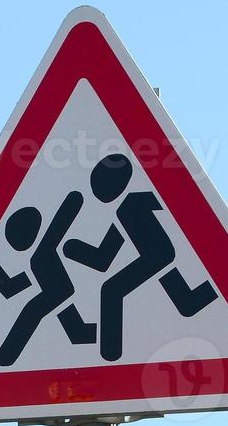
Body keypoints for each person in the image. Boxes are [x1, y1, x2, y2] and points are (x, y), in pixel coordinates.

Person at [63, 153, 217, 361]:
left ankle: (110, 354)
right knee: (188, 302)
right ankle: (216, 289)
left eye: (99, 185)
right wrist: (74, 249)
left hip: (158, 255)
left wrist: (72, 248)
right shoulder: (124, 211)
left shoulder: (137, 202)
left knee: (111, 290)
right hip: (160, 259)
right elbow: (103, 259)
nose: (96, 192)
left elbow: (184, 209)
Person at [0, 199, 97, 367]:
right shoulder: (39, 255)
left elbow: (65, 216)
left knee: (33, 311)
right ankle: (5, 358)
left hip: (59, 291)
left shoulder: (42, 253)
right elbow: (11, 287)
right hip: (59, 293)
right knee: (75, 328)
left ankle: (5, 357)